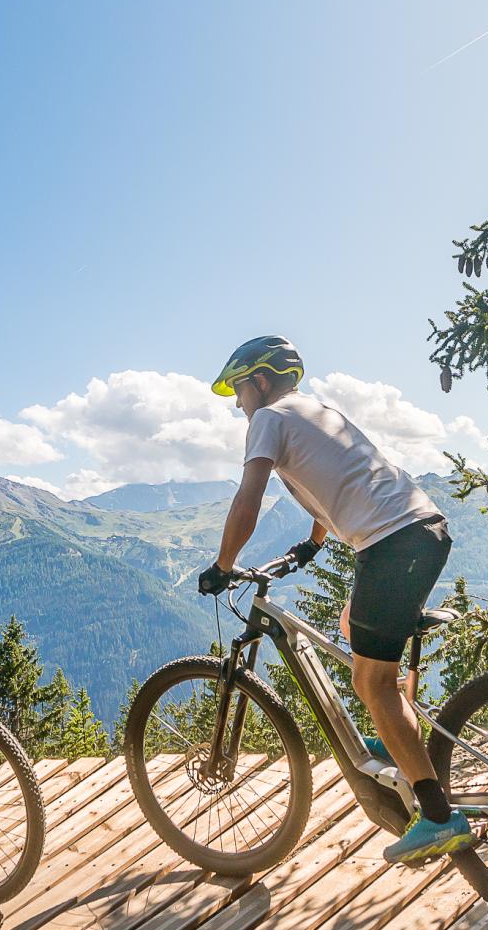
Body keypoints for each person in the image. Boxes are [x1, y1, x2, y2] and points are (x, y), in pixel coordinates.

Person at [200, 336, 472, 865]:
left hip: (393, 544)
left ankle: (439, 816)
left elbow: (249, 496)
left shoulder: (269, 418)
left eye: (237, 389)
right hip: (419, 532)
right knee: (353, 629)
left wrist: (224, 565)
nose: (236, 404)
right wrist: (314, 542)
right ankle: (399, 744)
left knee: (370, 682)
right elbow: (336, 481)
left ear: (260, 381)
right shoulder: (314, 411)